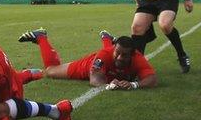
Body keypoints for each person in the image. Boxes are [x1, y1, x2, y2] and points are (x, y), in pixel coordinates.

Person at [18, 28, 157, 90]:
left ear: (132, 54)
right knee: (50, 71)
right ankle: (41, 37)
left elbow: (152, 79)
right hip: (86, 67)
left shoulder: (138, 58)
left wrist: (134, 85)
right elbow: (95, 80)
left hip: (107, 64)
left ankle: (107, 39)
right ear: (114, 49)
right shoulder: (104, 55)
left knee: (111, 58)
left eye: (124, 55)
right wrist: (109, 85)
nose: (120, 57)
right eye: (118, 53)